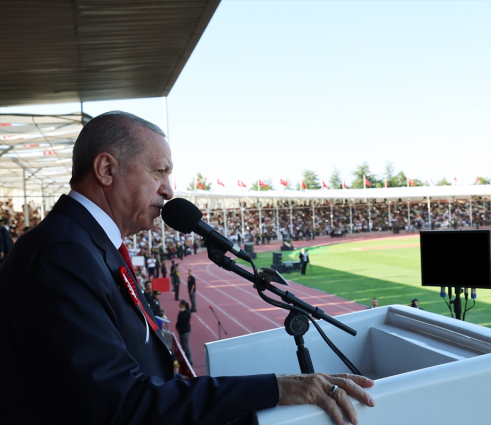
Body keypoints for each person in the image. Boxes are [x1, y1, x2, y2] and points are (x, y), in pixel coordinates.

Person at [0, 111, 374, 425]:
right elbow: (124, 402)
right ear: (106, 168)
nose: (168, 189)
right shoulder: (64, 253)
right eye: (159, 171)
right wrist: (276, 387)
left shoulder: (85, 243)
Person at [176, 300, 193, 365]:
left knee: (186, 345)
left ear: (183, 305)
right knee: (183, 345)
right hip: (181, 330)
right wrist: (177, 326)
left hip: (185, 331)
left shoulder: (187, 312)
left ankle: (190, 360)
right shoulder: (182, 312)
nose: (179, 305)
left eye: (180, 304)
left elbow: (182, 319)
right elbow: (178, 320)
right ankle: (185, 358)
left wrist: (180, 312)